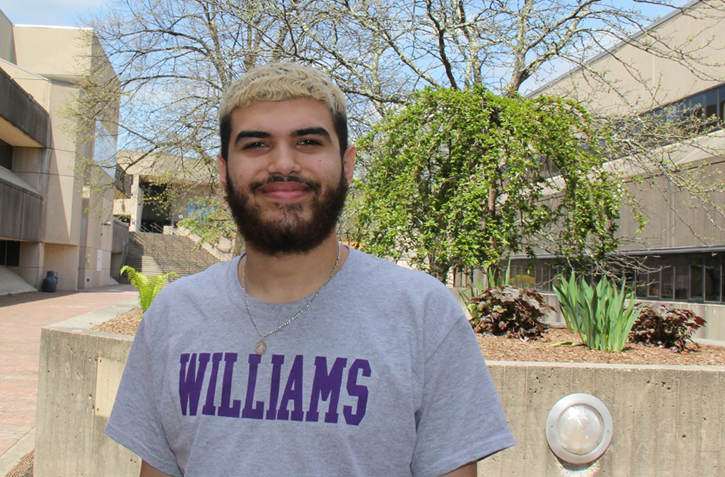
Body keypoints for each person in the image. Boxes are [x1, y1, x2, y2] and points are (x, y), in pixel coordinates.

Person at [106, 63, 515, 477]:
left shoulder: (424, 314)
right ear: (224, 172)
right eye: (256, 144)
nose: (283, 163)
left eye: (308, 141)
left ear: (347, 164)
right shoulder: (172, 315)